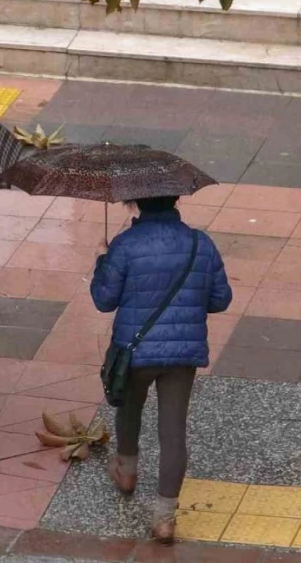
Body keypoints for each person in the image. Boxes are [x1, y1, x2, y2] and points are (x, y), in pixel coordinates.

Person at [90, 195, 232, 545]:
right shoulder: (201, 243)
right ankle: (164, 519)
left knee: (128, 408)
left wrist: (102, 261)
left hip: (134, 352)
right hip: (183, 353)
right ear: (176, 199)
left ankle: (126, 470)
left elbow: (104, 300)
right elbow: (220, 299)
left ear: (136, 202)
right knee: (173, 433)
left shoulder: (124, 245)